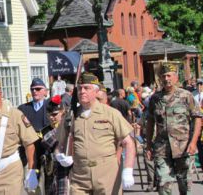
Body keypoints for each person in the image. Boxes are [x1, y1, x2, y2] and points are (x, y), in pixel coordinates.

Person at [57, 72, 135, 194]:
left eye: (87, 88)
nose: (82, 91)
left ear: (96, 91)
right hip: (80, 175)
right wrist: (59, 156)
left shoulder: (110, 113)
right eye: (80, 88)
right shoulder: (70, 116)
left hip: (106, 173)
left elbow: (128, 143)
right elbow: (60, 143)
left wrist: (128, 169)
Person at [145, 63, 202, 195]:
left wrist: (193, 142)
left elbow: (197, 118)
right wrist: (148, 145)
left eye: (169, 75)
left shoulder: (186, 96)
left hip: (183, 147)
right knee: (163, 183)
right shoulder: (155, 98)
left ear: (176, 78)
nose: (166, 79)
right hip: (162, 148)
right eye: (163, 76)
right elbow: (150, 122)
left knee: (184, 184)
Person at [40, 95, 70, 195]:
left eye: (55, 114)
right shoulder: (45, 131)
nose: (52, 118)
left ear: (63, 112)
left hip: (66, 174)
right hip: (50, 175)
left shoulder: (69, 127)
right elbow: (46, 140)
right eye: (49, 115)